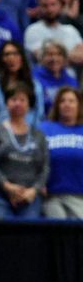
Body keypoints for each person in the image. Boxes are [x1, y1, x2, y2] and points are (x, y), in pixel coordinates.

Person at [0, 83, 49, 219]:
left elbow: (45, 167)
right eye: (14, 100)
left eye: (22, 100)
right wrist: (6, 186)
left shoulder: (38, 135)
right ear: (7, 103)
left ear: (29, 105)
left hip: (30, 196)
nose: (18, 104)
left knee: (29, 235)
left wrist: (33, 190)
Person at [40, 88, 83, 219]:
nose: (67, 104)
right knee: (58, 234)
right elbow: (36, 159)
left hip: (79, 196)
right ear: (57, 106)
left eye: (71, 101)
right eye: (62, 101)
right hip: (51, 196)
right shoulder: (44, 129)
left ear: (79, 105)